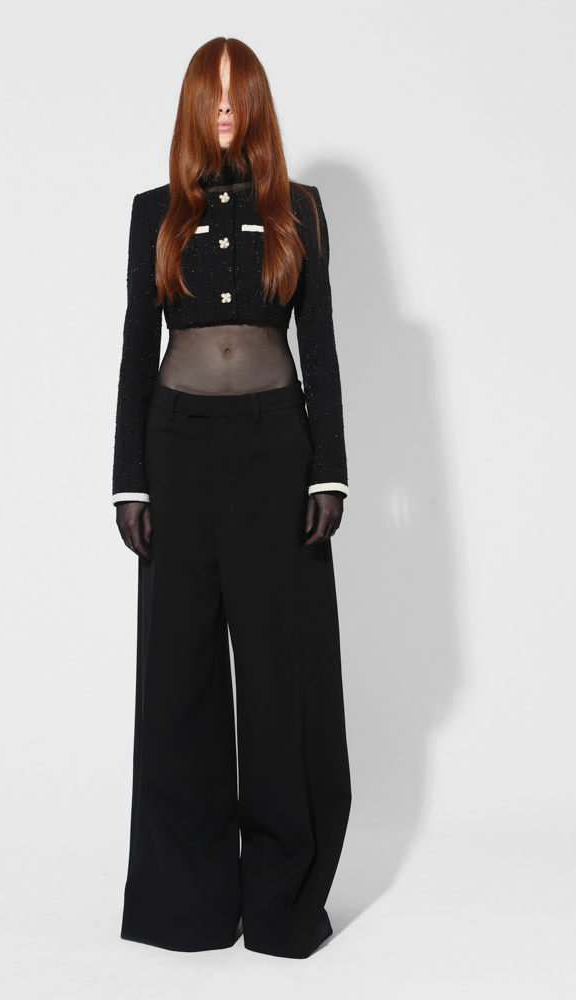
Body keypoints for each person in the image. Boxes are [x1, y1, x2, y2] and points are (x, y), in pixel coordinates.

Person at [111, 36, 352, 960]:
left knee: (280, 675)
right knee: (179, 677)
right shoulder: (155, 213)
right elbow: (135, 348)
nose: (223, 107)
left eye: (236, 91)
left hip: (274, 449)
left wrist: (328, 467)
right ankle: (187, 905)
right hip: (174, 447)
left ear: (255, 104)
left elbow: (319, 342)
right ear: (190, 105)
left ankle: (283, 905)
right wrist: (128, 477)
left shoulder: (300, 210)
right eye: (208, 93)